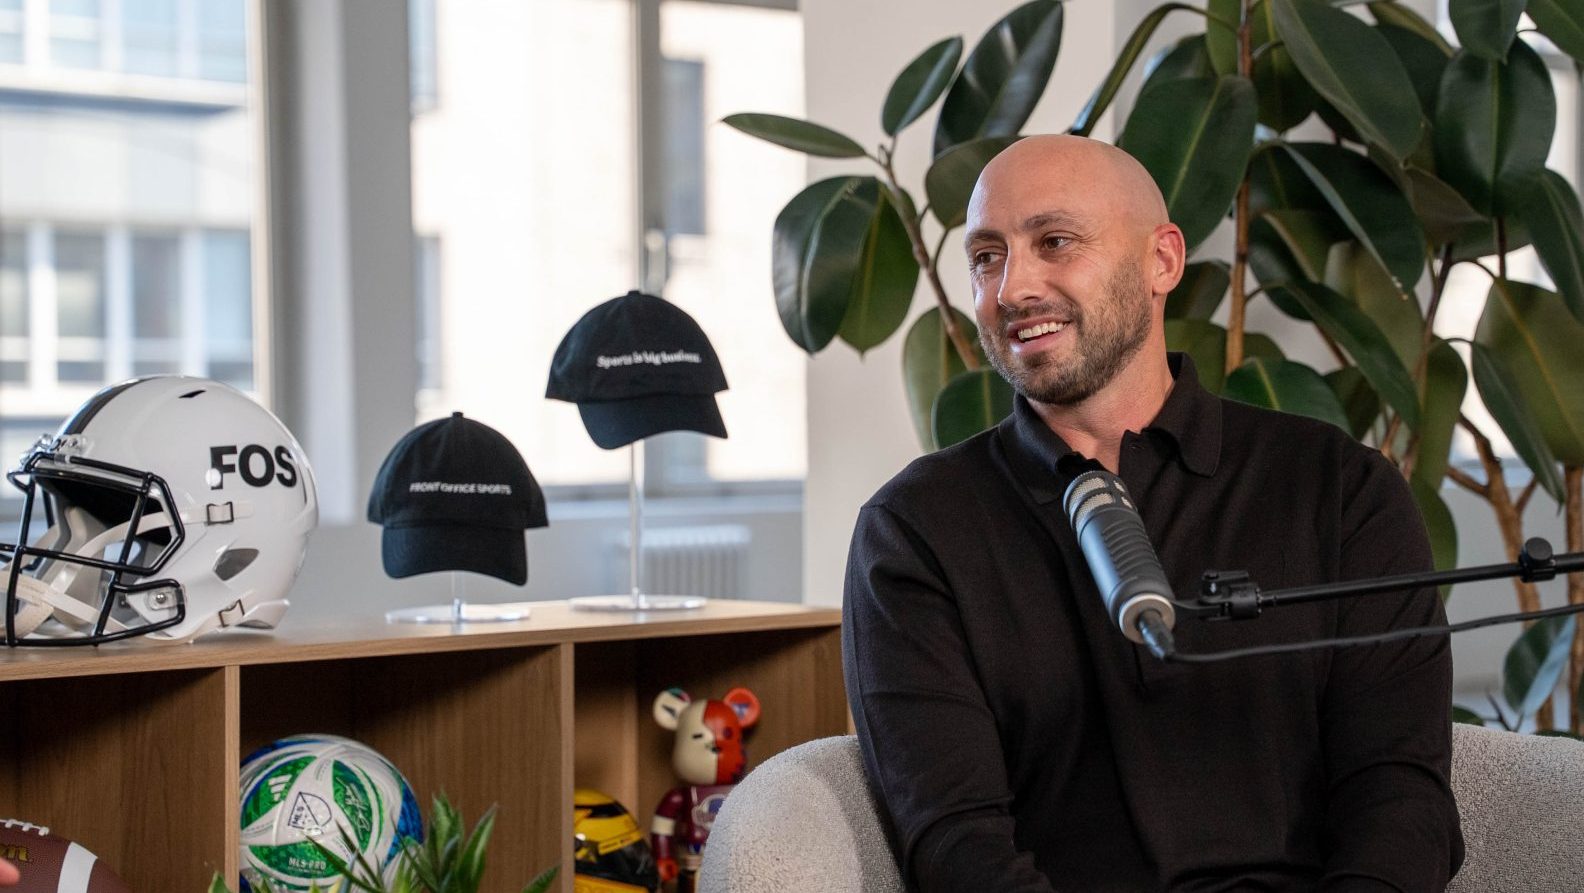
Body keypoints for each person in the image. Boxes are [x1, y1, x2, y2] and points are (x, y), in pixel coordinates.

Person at [842, 135, 1463, 892]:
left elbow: (1400, 799)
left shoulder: (1340, 489)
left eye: (1054, 241)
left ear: (1162, 260)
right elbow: (955, 844)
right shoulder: (915, 530)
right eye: (986, 257)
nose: (1011, 289)